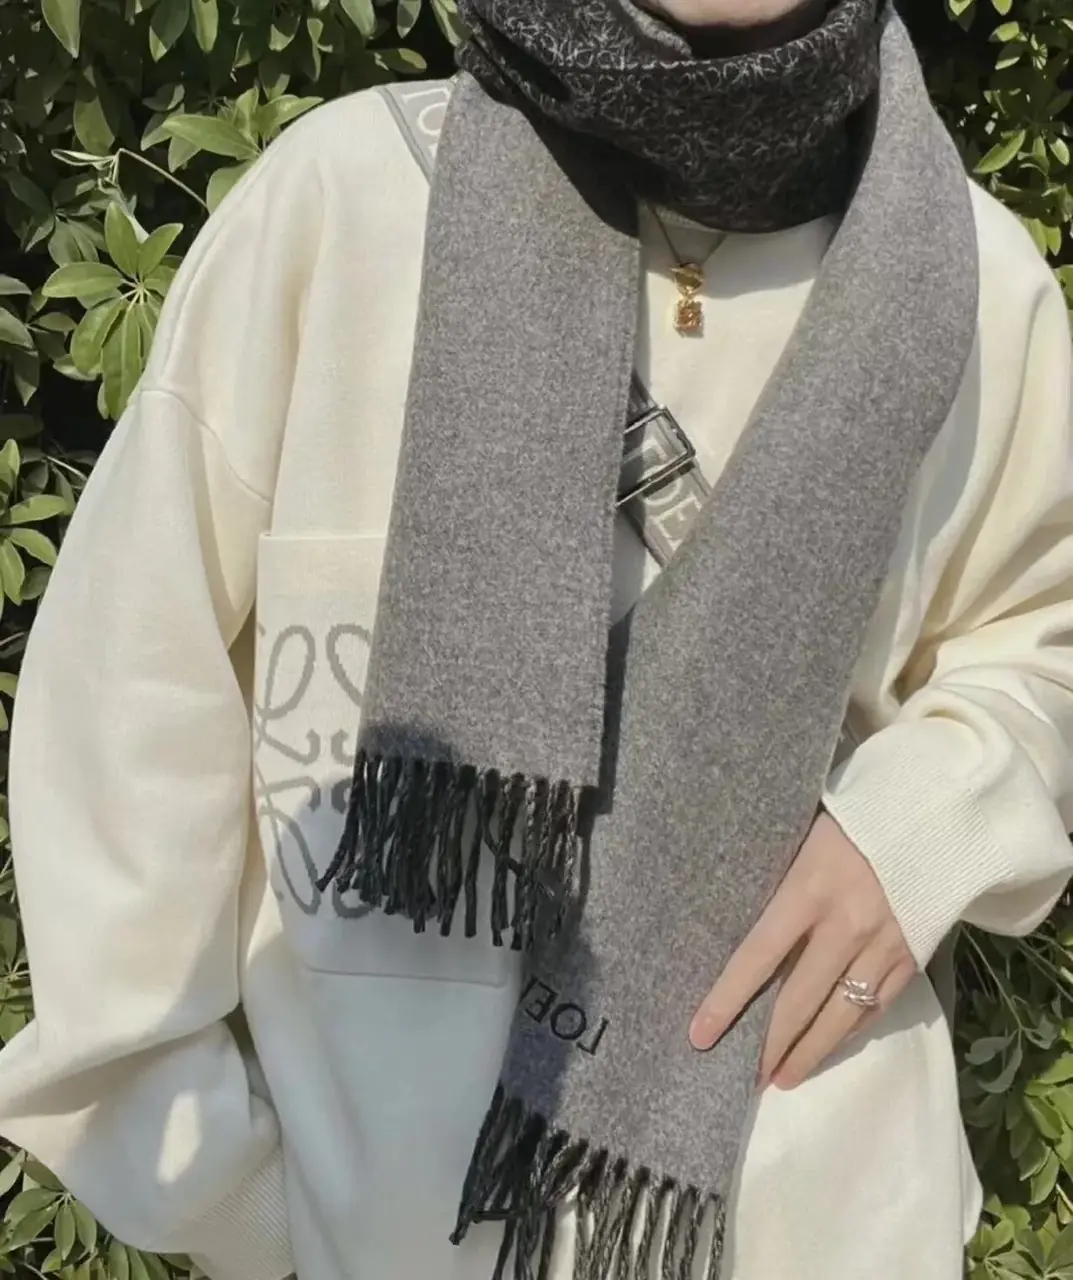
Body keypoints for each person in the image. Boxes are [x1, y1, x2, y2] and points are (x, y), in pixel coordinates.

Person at [0, 0, 1070, 1277]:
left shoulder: (970, 283)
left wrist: (927, 822)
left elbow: (1042, 640)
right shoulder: (349, 205)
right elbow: (124, 702)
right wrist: (241, 1204)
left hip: (821, 1224)